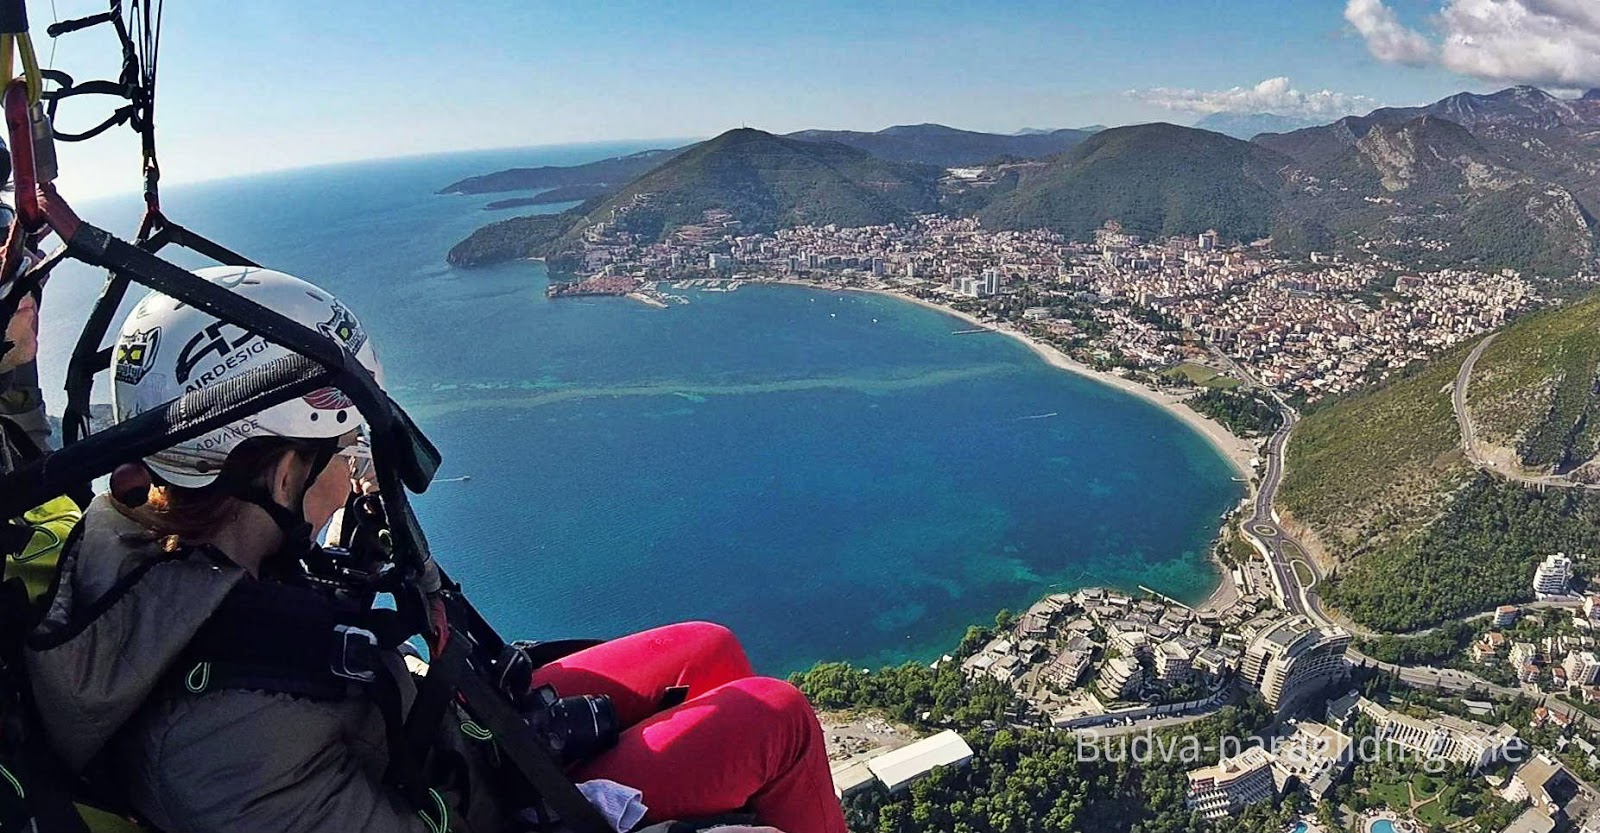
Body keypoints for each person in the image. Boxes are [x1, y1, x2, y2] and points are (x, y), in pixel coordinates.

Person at [27, 267, 847, 833]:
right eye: (339, 455)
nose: (352, 480)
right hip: (488, 798)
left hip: (449, 737)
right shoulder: (224, 750)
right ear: (279, 470)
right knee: (780, 718)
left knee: (711, 647)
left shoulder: (140, 532)